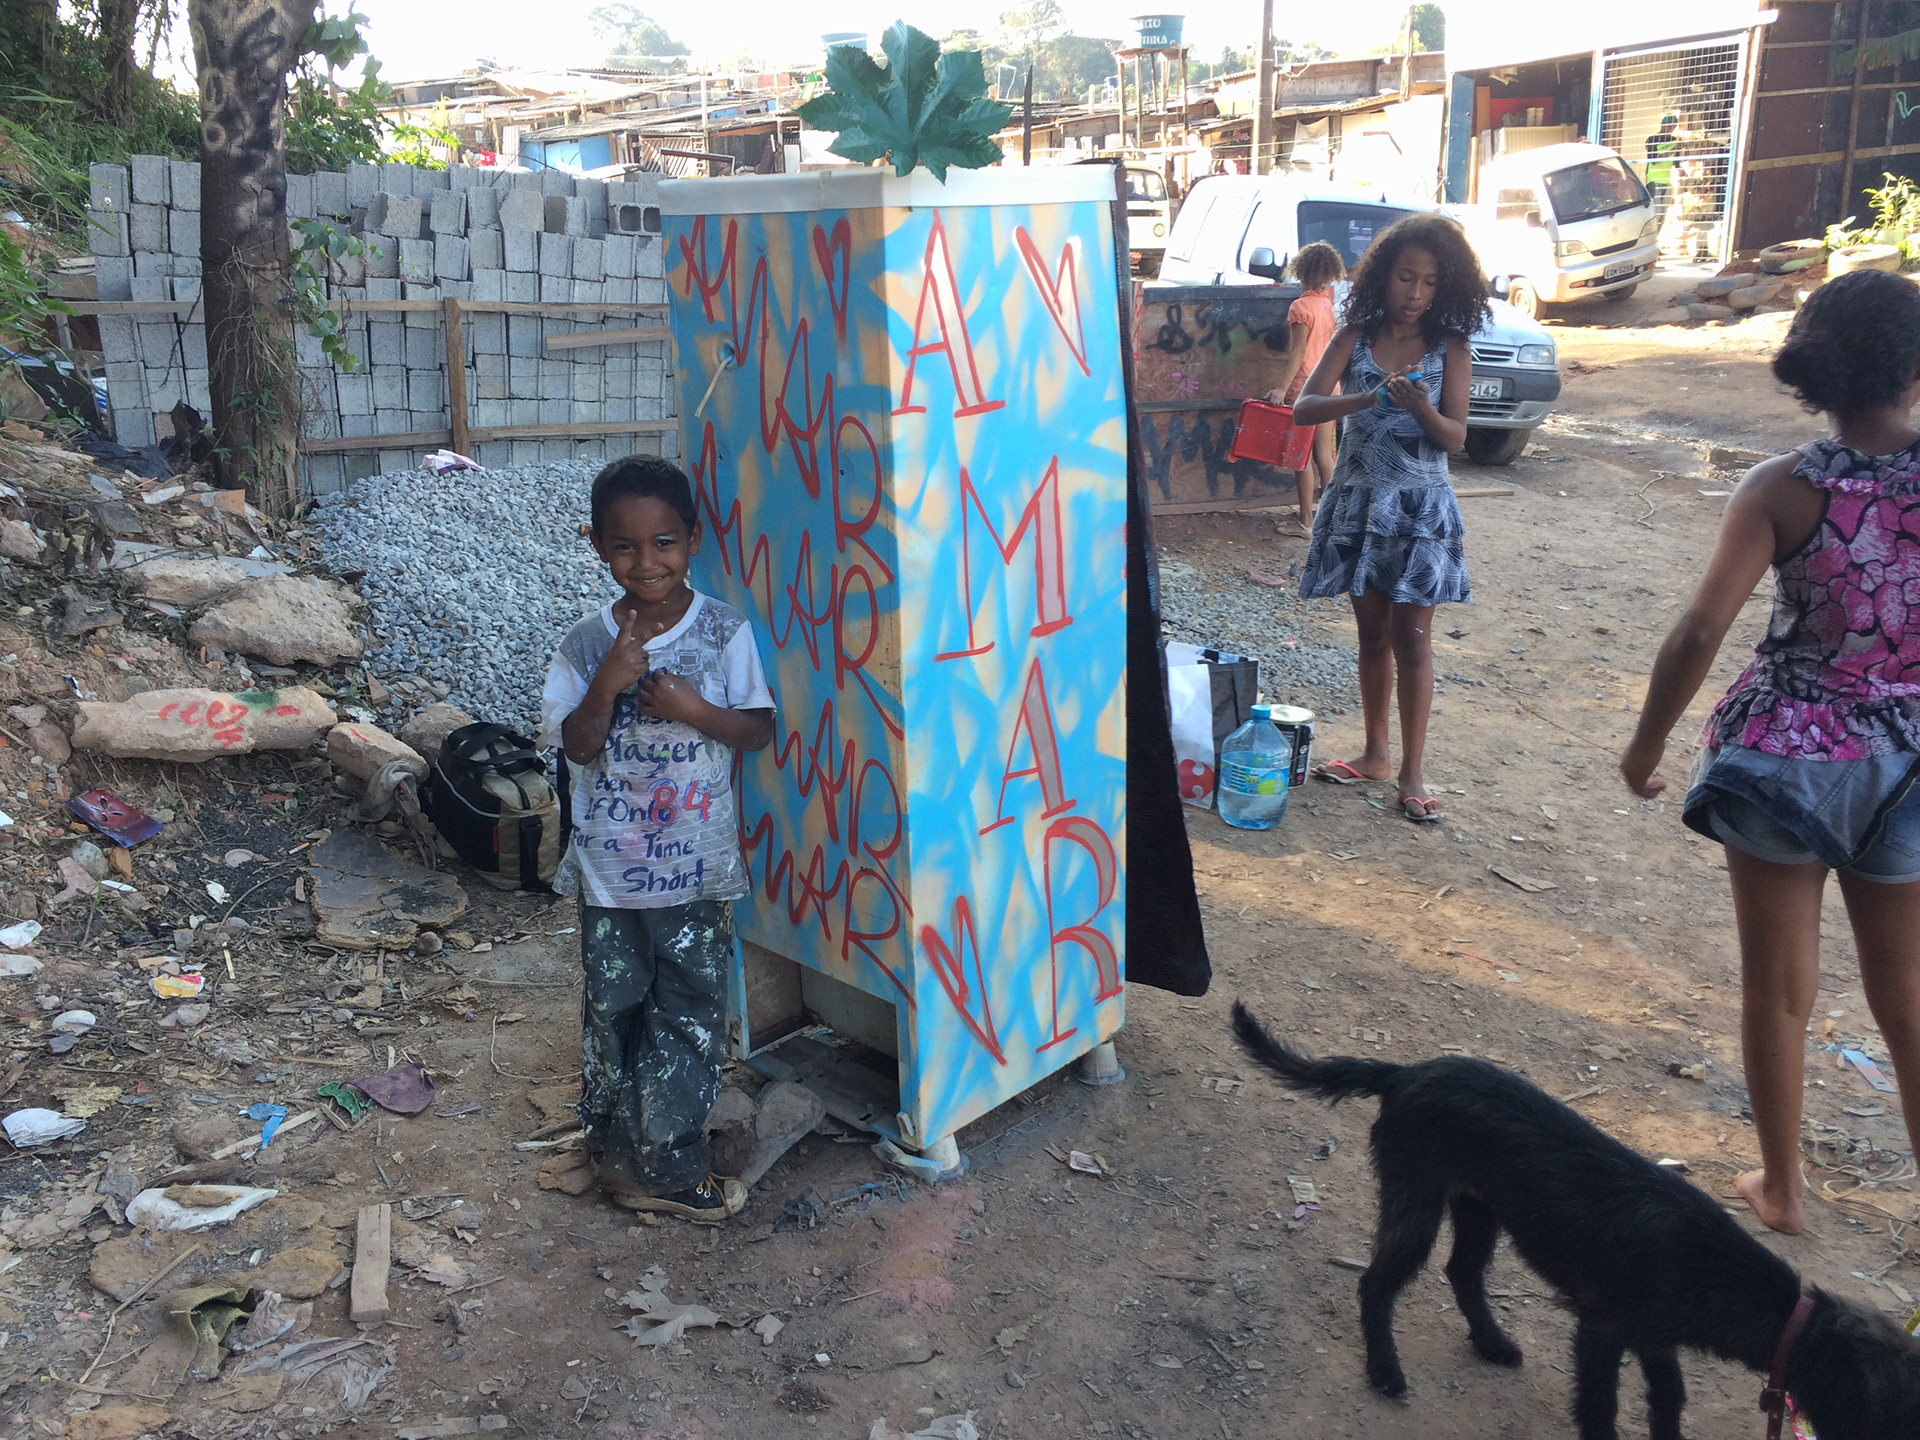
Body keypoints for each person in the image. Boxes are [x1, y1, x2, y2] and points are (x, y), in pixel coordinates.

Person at [1621, 269, 1920, 1235]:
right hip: (1909, 767)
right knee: (1905, 988)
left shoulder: (1780, 490)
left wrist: (1645, 745)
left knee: (1780, 989)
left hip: (1786, 763)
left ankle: (1783, 1190)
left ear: (1814, 369)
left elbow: (1697, 635)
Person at [543, 454, 775, 1222]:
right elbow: (576, 746)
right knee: (613, 1006)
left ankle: (668, 1164)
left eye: (665, 542)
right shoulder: (582, 645)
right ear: (596, 548)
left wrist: (691, 707)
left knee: (690, 1006)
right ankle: (615, 1147)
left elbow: (756, 730)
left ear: (694, 540)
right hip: (610, 873)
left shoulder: (723, 632)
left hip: (696, 870)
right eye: (625, 547)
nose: (647, 563)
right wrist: (609, 681)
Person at [1290, 214, 1487, 824]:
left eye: (1429, 283)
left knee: (1414, 640)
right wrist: (1369, 397)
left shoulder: (1452, 347)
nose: (1415, 294)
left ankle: (1413, 771)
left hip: (1418, 509)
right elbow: (1305, 410)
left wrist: (1421, 408)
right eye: (1405, 278)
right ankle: (1375, 755)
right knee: (1372, 635)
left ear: (1446, 286)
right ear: (1384, 276)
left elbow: (1455, 437)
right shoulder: (1354, 335)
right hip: (1359, 503)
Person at [1263, 240, 1346, 540]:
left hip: (1304, 390)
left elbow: (1297, 353)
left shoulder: (1301, 307)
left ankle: (1306, 522)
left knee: (1301, 458)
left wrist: (1281, 388)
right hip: (1329, 387)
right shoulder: (1327, 305)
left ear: (1302, 271)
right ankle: (1335, 521)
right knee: (1326, 457)